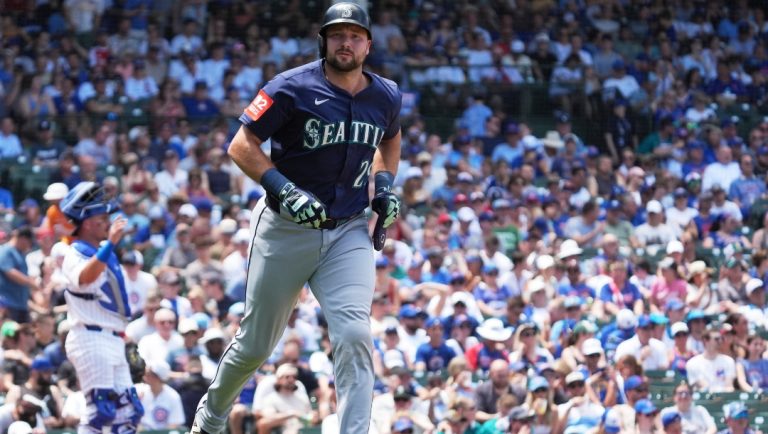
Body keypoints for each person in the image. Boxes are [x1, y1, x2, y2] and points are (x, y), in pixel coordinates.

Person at [192, 3, 403, 434]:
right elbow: (241, 144)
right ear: (323, 40)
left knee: (355, 336)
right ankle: (210, 420)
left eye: (355, 35)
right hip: (286, 230)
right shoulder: (290, 87)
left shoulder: (385, 94)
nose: (346, 43)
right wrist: (284, 188)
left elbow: (390, 139)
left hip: (348, 229)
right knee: (256, 345)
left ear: (368, 44)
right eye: (337, 34)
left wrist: (383, 186)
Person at [59, 181, 144, 433]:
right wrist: (110, 244)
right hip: (90, 337)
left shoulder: (104, 252)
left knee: (129, 413)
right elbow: (85, 277)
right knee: (100, 412)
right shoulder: (75, 252)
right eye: (102, 218)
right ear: (87, 223)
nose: (108, 223)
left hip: (112, 337)